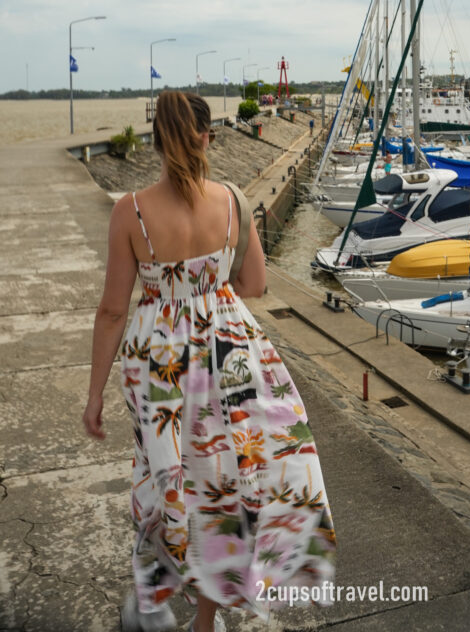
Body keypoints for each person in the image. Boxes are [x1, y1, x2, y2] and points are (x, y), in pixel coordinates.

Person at [83, 91, 335, 632]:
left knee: (168, 480)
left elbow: (110, 310)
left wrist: (93, 393)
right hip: (230, 356)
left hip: (159, 369)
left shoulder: (131, 211)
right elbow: (255, 285)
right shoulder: (233, 200)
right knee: (220, 483)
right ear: (205, 136)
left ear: (154, 139)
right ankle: (203, 622)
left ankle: (152, 603)